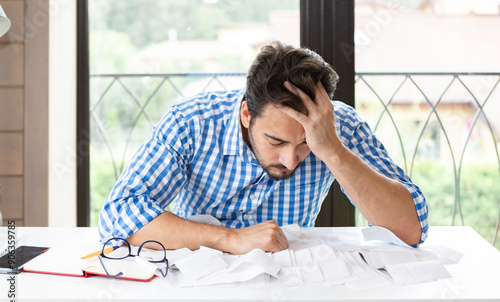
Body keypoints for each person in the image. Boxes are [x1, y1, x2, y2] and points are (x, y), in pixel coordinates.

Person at [98, 41, 428, 254]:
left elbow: (412, 230)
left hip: (289, 293)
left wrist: (332, 150)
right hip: (197, 291)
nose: (290, 160)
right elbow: (118, 215)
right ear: (246, 114)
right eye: (276, 141)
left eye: (304, 144)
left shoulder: (337, 129)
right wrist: (229, 238)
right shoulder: (190, 124)